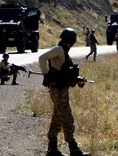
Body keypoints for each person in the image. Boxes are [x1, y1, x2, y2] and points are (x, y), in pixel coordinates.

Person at [39, 28, 90, 156]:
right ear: (71, 41)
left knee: (58, 119)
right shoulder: (59, 49)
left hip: (61, 89)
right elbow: (42, 58)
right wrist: (46, 75)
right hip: (58, 90)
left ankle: (52, 149)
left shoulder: (64, 52)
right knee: (67, 119)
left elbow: (65, 74)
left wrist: (77, 80)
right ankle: (74, 149)